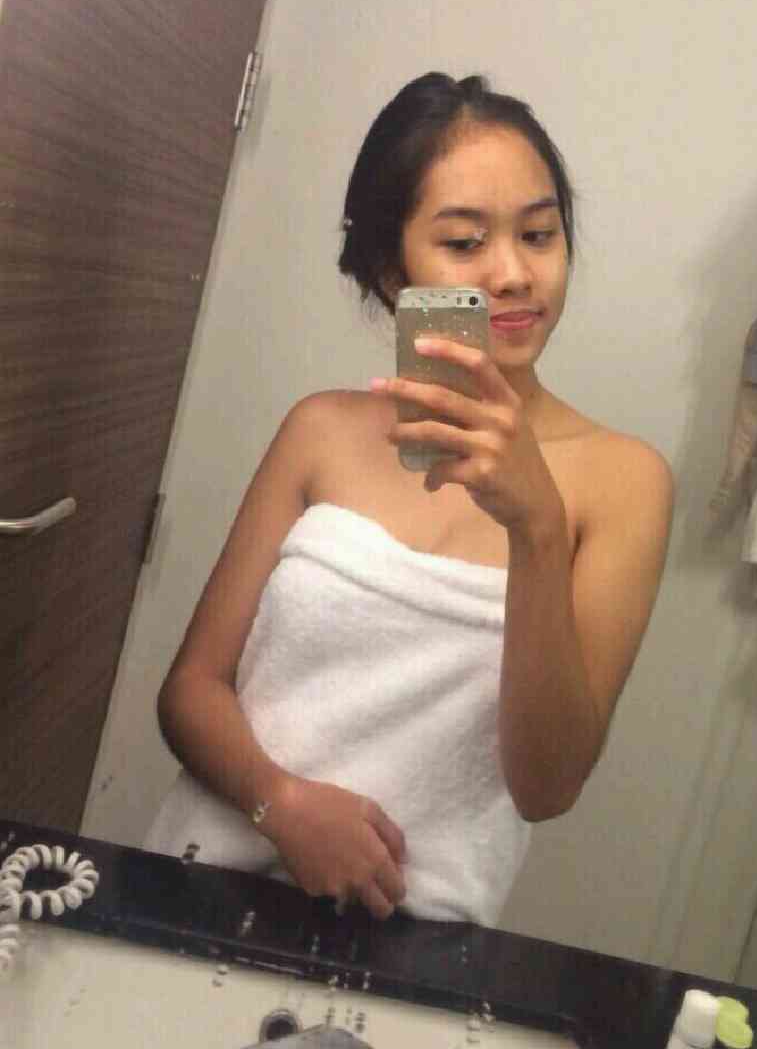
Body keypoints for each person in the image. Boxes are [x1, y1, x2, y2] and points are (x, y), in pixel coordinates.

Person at [144, 72, 674, 926]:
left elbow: (547, 788)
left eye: (539, 234)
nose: (514, 273)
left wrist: (537, 525)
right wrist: (283, 805)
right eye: (464, 243)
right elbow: (191, 689)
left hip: (415, 940)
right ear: (395, 272)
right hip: (203, 882)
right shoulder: (320, 431)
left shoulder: (626, 481)